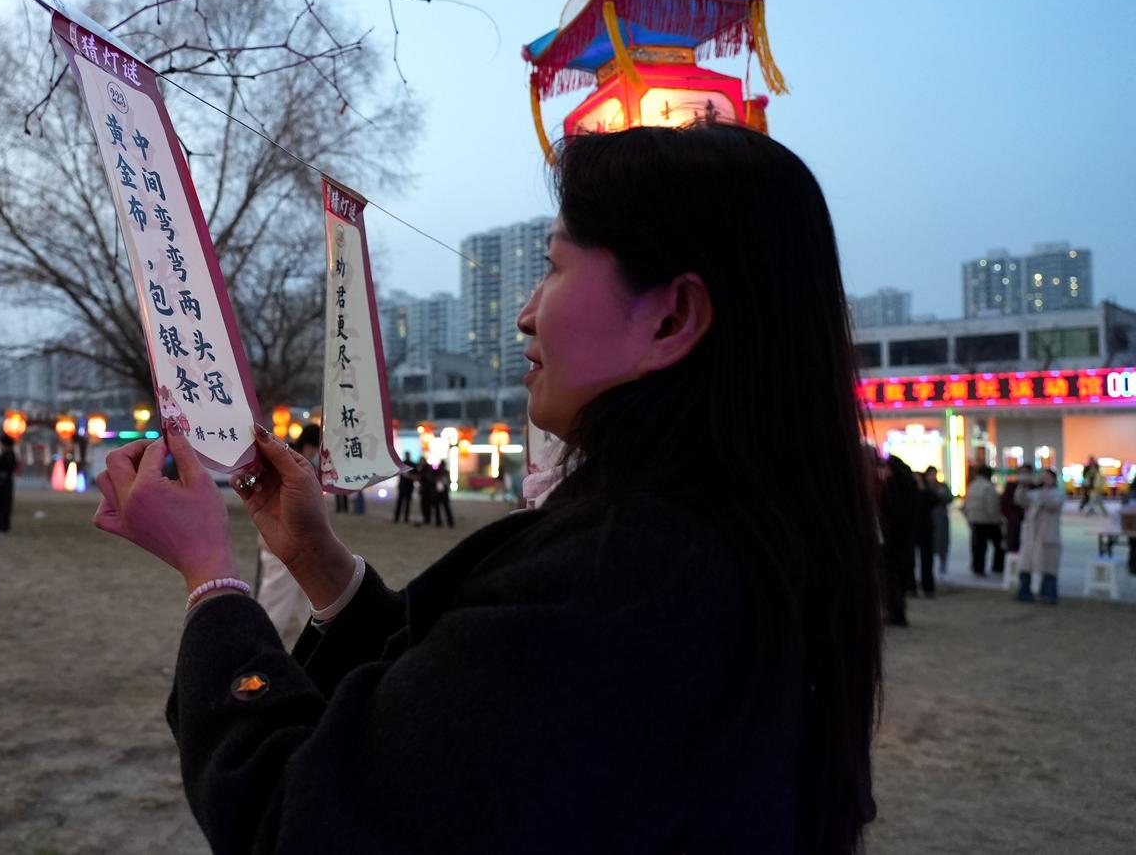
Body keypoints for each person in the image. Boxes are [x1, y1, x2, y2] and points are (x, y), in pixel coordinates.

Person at [91, 125, 881, 853]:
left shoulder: (631, 577)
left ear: (672, 319)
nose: (526, 316)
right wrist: (315, 558)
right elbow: (454, 708)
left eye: (555, 268)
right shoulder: (725, 540)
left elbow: (297, 823)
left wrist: (212, 578)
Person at [254, 425, 322, 649]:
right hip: (283, 543)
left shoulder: (290, 459)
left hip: (295, 543)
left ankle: (316, 648)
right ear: (312, 445)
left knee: (310, 604)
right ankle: (260, 649)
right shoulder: (291, 462)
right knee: (275, 607)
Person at [1014, 468, 1066, 604]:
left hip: (1048, 534)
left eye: (1047, 477)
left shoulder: (1058, 494)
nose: (1044, 479)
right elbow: (1020, 499)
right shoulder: (1034, 493)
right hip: (1031, 535)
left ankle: (1049, 594)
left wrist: (1043, 491)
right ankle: (1024, 591)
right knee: (1026, 564)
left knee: (1049, 565)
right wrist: (1023, 485)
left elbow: (1052, 504)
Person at [878, 455, 918, 624]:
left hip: (892, 537)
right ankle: (899, 613)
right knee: (900, 577)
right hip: (906, 537)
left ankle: (896, 613)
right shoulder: (911, 486)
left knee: (892, 576)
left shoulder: (891, 487)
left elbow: (888, 510)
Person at [961, 464, 1005, 576]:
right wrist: (998, 520)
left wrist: (969, 517)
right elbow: (992, 507)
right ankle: (997, 567)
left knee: (978, 546)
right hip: (988, 521)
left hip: (974, 520)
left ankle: (977, 568)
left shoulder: (972, 485)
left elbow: (965, 504)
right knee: (999, 544)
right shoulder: (988, 487)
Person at [917, 466, 953, 591]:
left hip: (941, 520)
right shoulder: (924, 488)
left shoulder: (941, 486)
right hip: (929, 521)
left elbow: (949, 498)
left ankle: (942, 571)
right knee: (928, 550)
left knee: (942, 546)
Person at [0, 436, 17, 533]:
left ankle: (1, 526)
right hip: (3, 483)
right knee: (1, 505)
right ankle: (0, 527)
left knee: (2, 506)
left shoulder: (9, 455)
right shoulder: (8, 454)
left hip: (4, 483)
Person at [1000, 472, 1025, 571]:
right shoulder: (1012, 487)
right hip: (1013, 523)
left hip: (1022, 523)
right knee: (1013, 547)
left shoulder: (1033, 488)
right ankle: (1012, 571)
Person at [391, 454, 416, 523]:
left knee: (405, 503)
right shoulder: (405, 463)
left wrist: (409, 476)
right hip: (404, 486)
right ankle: (399, 518)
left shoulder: (407, 464)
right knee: (401, 503)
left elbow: (416, 475)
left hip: (408, 486)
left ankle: (404, 518)